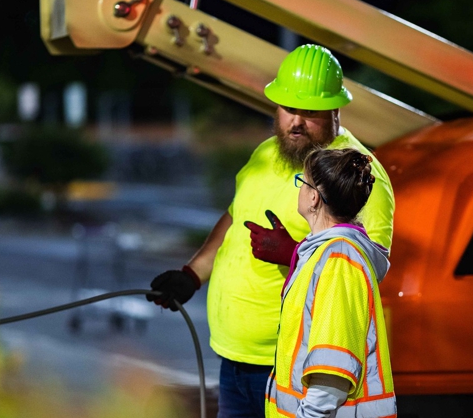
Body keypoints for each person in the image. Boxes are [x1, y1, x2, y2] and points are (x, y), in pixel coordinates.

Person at [146, 44, 395, 418]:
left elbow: (368, 267)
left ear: (335, 111)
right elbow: (234, 217)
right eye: (288, 108)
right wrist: (192, 275)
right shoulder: (265, 154)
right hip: (234, 357)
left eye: (310, 112)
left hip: (291, 366)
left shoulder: (355, 175)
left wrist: (292, 252)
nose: (295, 122)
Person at [265, 148, 396, 418]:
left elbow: (331, 375)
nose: (299, 188)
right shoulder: (326, 253)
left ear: (313, 197)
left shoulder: (338, 260)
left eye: (303, 181)